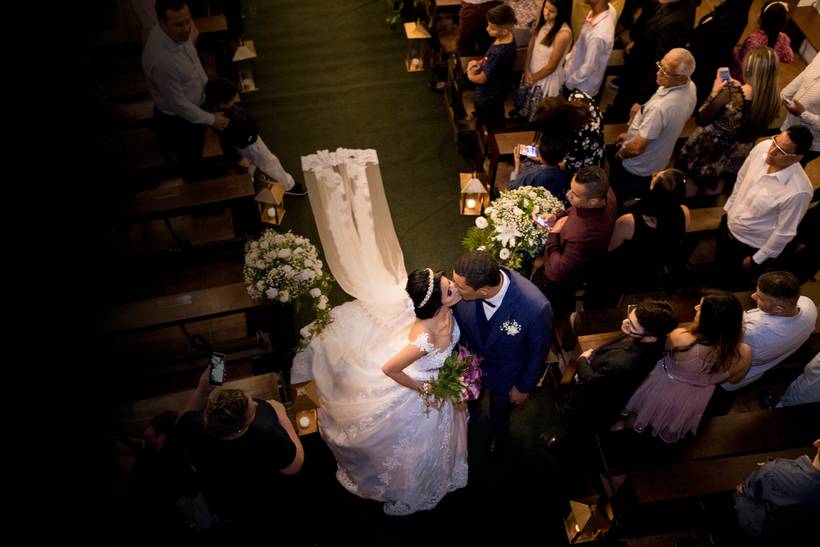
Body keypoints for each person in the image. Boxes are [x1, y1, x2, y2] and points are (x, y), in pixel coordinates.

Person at [292, 148, 468, 516]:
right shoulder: (422, 338)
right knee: (410, 450)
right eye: (451, 289)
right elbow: (390, 369)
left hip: (440, 383)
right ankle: (406, 486)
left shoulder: (439, 312)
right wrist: (426, 388)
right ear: (437, 303)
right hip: (419, 387)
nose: (457, 290)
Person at [173, 366, 305, 524]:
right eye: (253, 410)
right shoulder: (265, 432)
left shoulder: (194, 426)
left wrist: (202, 390)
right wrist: (282, 417)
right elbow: (294, 466)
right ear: (238, 431)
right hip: (265, 504)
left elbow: (181, 425)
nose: (256, 405)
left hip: (221, 502)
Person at [452, 251, 553, 455]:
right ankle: (471, 415)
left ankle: (497, 432)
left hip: (506, 376)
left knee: (499, 412)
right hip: (471, 366)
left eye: (460, 287)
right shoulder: (463, 289)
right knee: (471, 402)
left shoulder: (534, 308)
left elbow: (537, 352)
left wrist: (523, 387)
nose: (454, 289)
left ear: (484, 291)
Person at [545, 299, 679, 451]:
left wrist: (581, 361)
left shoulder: (622, 363)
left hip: (594, 405)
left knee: (578, 430)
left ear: (650, 338)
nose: (624, 323)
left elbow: (591, 383)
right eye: (629, 317)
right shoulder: (654, 340)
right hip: (611, 389)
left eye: (631, 325)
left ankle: (564, 448)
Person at [621, 291, 752, 443]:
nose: (696, 307)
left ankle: (626, 438)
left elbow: (653, 349)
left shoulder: (681, 338)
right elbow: (735, 380)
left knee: (641, 413)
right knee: (673, 417)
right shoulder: (744, 353)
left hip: (661, 387)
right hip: (695, 397)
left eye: (701, 307)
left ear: (709, 319)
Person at [142, 0, 230, 181]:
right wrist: (211, 120)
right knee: (191, 161)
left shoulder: (177, 36)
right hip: (179, 121)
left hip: (196, 102)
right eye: (179, 24)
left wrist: (208, 88)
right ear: (162, 23)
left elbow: (192, 61)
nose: (187, 28)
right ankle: (199, 201)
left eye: (188, 21)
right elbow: (178, 105)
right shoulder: (162, 60)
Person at [677, 46, 780, 197]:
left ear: (749, 69)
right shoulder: (773, 100)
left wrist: (714, 92)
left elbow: (701, 119)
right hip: (736, 153)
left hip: (709, 149)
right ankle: (705, 212)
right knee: (717, 182)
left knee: (692, 181)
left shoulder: (730, 95)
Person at [718, 125, 814, 287]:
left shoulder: (799, 191)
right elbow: (742, 178)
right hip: (727, 226)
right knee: (719, 269)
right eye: (774, 142)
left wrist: (757, 260)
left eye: (781, 151)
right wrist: (728, 209)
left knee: (733, 284)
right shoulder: (762, 148)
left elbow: (784, 233)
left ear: (797, 158)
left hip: (748, 247)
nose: (771, 151)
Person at [588, 168, 690, 307]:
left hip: (627, 270)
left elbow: (609, 248)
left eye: (655, 178)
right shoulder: (684, 213)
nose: (653, 174)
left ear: (656, 192)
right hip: (655, 265)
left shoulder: (630, 221)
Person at [610, 48, 697, 204]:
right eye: (660, 66)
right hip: (658, 159)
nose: (659, 73)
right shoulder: (691, 88)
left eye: (666, 72)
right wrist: (630, 135)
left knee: (619, 197)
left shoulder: (661, 108)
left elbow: (637, 148)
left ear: (682, 78)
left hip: (636, 167)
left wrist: (620, 154)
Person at [532, 166, 617, 320]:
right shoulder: (607, 193)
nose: (568, 195)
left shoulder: (584, 236)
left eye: (575, 194)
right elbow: (575, 210)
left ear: (592, 202)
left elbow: (556, 273)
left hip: (563, 282)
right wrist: (557, 216)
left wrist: (553, 234)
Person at [204, 77, 306, 196]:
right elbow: (226, 141)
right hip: (249, 144)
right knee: (269, 162)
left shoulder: (220, 110)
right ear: (222, 103)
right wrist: (237, 158)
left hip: (248, 140)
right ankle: (288, 185)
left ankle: (249, 181)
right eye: (231, 100)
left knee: (250, 163)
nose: (234, 101)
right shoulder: (226, 120)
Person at [720, 271, 817, 391]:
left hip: (728, 376)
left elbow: (721, 348)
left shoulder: (754, 333)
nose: (753, 296)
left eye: (760, 297)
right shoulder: (808, 304)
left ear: (778, 309)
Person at [605, 0, 694, 123]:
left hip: (641, 80)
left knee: (622, 114)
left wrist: (642, 100)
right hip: (636, 66)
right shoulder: (670, 4)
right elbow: (655, 29)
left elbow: (660, 66)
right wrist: (639, 41)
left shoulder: (677, 21)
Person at [734, 439, 820, 542]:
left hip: (760, 526)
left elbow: (750, 486)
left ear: (818, 443)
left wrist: (742, 489)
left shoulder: (773, 472)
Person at [513, 0, 572, 121]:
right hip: (532, 71)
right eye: (545, 8)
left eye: (552, 11)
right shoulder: (542, 21)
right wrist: (526, 69)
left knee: (540, 115)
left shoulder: (563, 34)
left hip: (546, 79)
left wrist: (533, 77)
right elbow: (532, 44)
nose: (546, 13)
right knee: (525, 108)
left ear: (561, 13)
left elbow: (551, 66)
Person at [687, 0, 753, 107]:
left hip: (705, 65)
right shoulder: (727, 11)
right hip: (703, 59)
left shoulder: (732, 22)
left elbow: (705, 41)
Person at [466, 4, 518, 130]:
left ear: (504, 30)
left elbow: (482, 79)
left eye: (492, 28)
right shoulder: (507, 38)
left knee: (489, 122)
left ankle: (486, 140)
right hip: (499, 89)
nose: (487, 29)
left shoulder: (499, 52)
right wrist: (480, 62)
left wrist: (469, 73)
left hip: (489, 94)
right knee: (496, 116)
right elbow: (491, 59)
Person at [563, 0, 617, 99]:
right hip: (574, 73)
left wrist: (568, 83)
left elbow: (588, 67)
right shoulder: (605, 9)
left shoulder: (599, 35)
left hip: (580, 88)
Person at [730, 0, 793, 83]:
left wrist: (733, 50)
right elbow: (789, 58)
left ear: (762, 18)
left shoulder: (753, 40)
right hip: (762, 80)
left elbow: (743, 62)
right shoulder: (783, 39)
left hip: (743, 78)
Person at [780, 53, 820, 166]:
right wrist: (783, 95)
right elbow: (805, 74)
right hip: (790, 125)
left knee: (786, 171)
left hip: (810, 142)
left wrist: (802, 114)